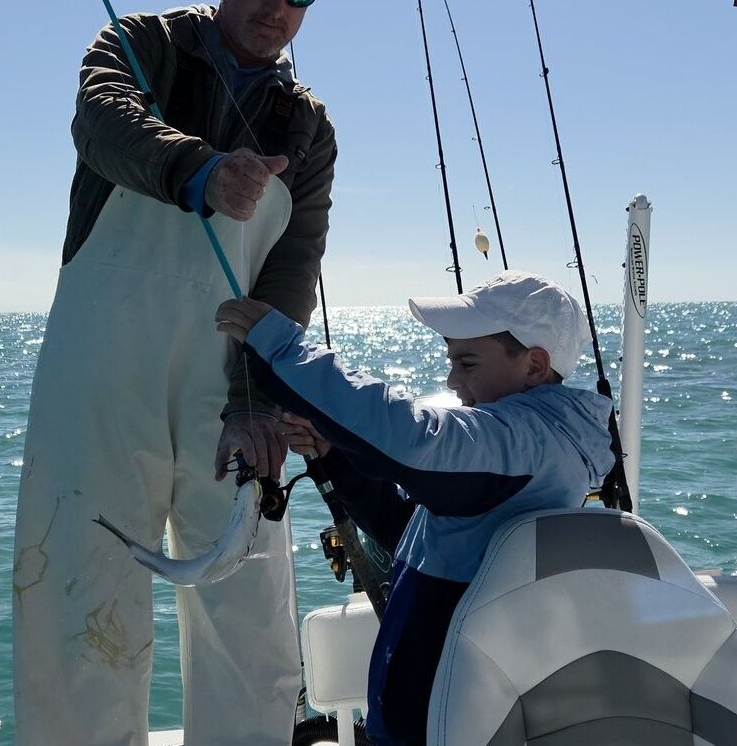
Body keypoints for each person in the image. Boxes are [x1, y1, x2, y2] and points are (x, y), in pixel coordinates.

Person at [12, 0, 337, 746]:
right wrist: (198, 171)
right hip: (100, 375)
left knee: (255, 633)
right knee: (83, 620)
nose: (276, 8)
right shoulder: (140, 46)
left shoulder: (308, 129)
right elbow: (101, 119)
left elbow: (294, 263)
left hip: (225, 388)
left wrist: (259, 400)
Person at [215, 270, 615, 746]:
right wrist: (335, 456)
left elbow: (410, 438)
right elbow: (407, 528)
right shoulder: (523, 449)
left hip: (449, 723)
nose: (451, 380)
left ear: (533, 365)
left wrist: (283, 349)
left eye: (467, 363)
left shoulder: (528, 442)